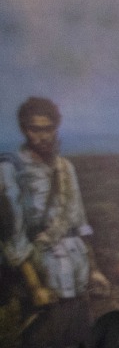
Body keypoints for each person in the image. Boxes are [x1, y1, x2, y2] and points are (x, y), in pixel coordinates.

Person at [3, 97, 97, 309]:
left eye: (49, 129)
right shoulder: (12, 169)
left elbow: (80, 223)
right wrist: (35, 287)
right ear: (24, 129)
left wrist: (94, 270)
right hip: (44, 273)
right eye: (35, 129)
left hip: (78, 268)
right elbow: (14, 237)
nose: (43, 136)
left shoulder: (66, 167)